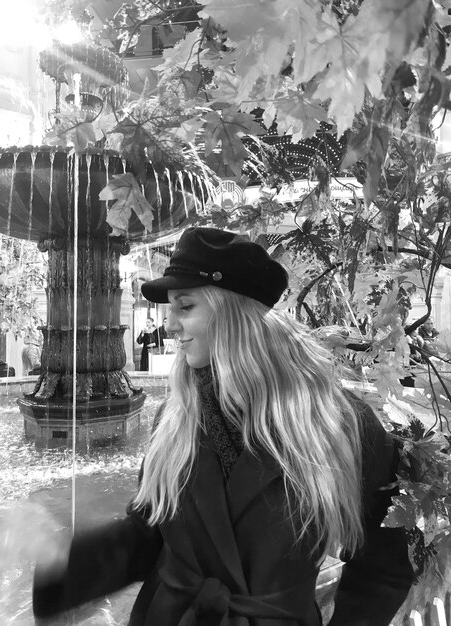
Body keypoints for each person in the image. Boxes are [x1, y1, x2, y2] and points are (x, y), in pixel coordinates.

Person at [32, 227, 413, 625]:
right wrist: (59, 565)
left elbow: (382, 568)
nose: (170, 326)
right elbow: (149, 536)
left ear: (233, 313)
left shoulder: (341, 424)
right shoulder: (172, 421)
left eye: (184, 306)